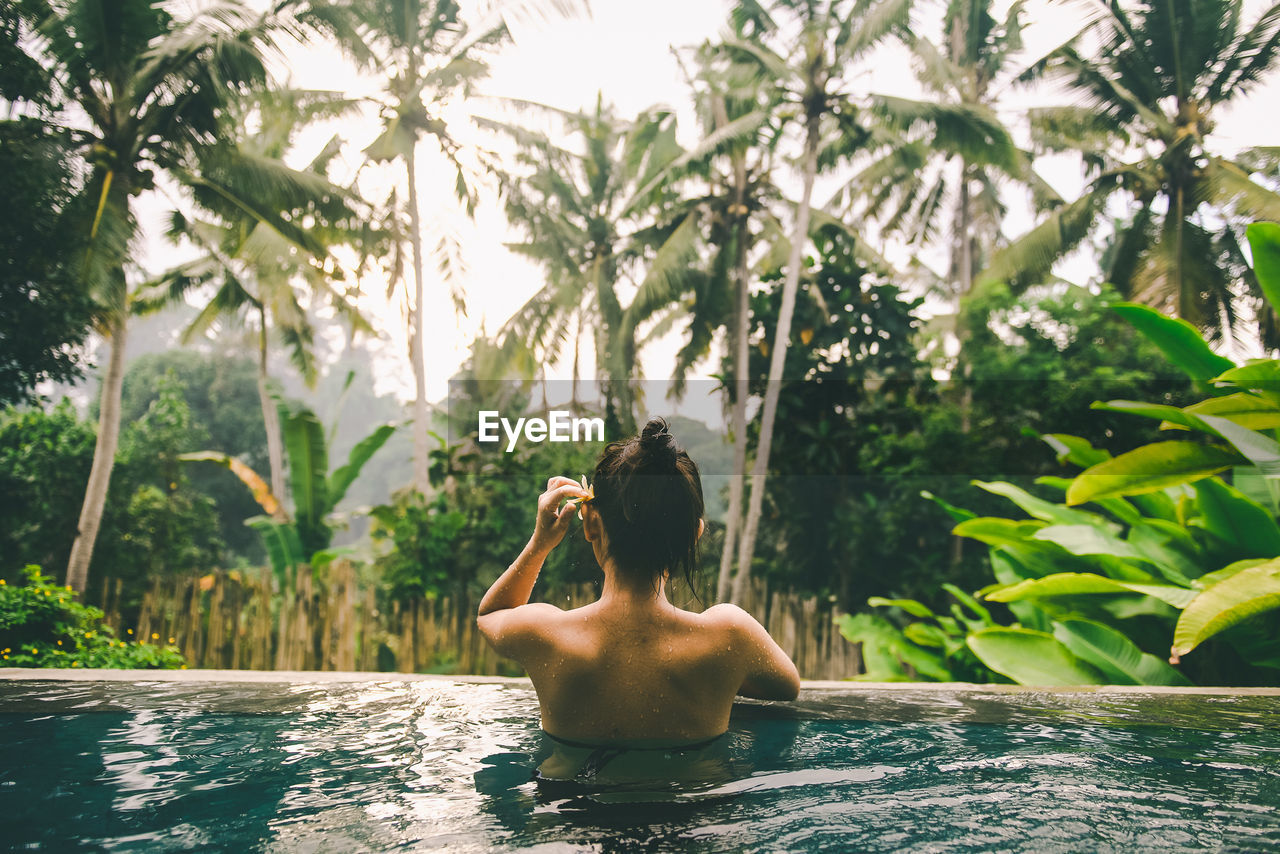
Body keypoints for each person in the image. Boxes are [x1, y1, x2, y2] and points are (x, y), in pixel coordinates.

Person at [477, 417, 800, 779]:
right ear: (693, 535)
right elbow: (787, 687)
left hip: (571, 813)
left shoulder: (548, 633)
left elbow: (491, 614)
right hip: (693, 816)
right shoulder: (730, 636)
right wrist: (718, 679)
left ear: (591, 524)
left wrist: (540, 543)